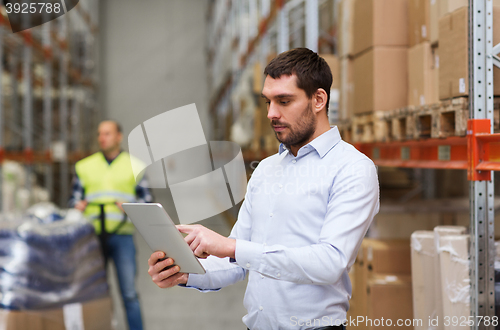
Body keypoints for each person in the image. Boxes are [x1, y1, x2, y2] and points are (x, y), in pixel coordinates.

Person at [147, 48, 380, 330]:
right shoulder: (267, 170)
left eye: (284, 101)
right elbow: (237, 262)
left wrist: (230, 246)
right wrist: (184, 272)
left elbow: (330, 262)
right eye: (268, 101)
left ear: (319, 99)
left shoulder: (352, 168)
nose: (271, 113)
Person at [69, 120, 152, 330]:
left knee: (129, 294)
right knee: (94, 293)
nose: (102, 138)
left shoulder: (135, 166)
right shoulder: (85, 166)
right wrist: (76, 205)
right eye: (99, 134)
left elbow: (148, 203)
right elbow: (73, 199)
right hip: (92, 239)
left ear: (118, 137)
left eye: (107, 133)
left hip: (122, 237)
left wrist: (131, 207)